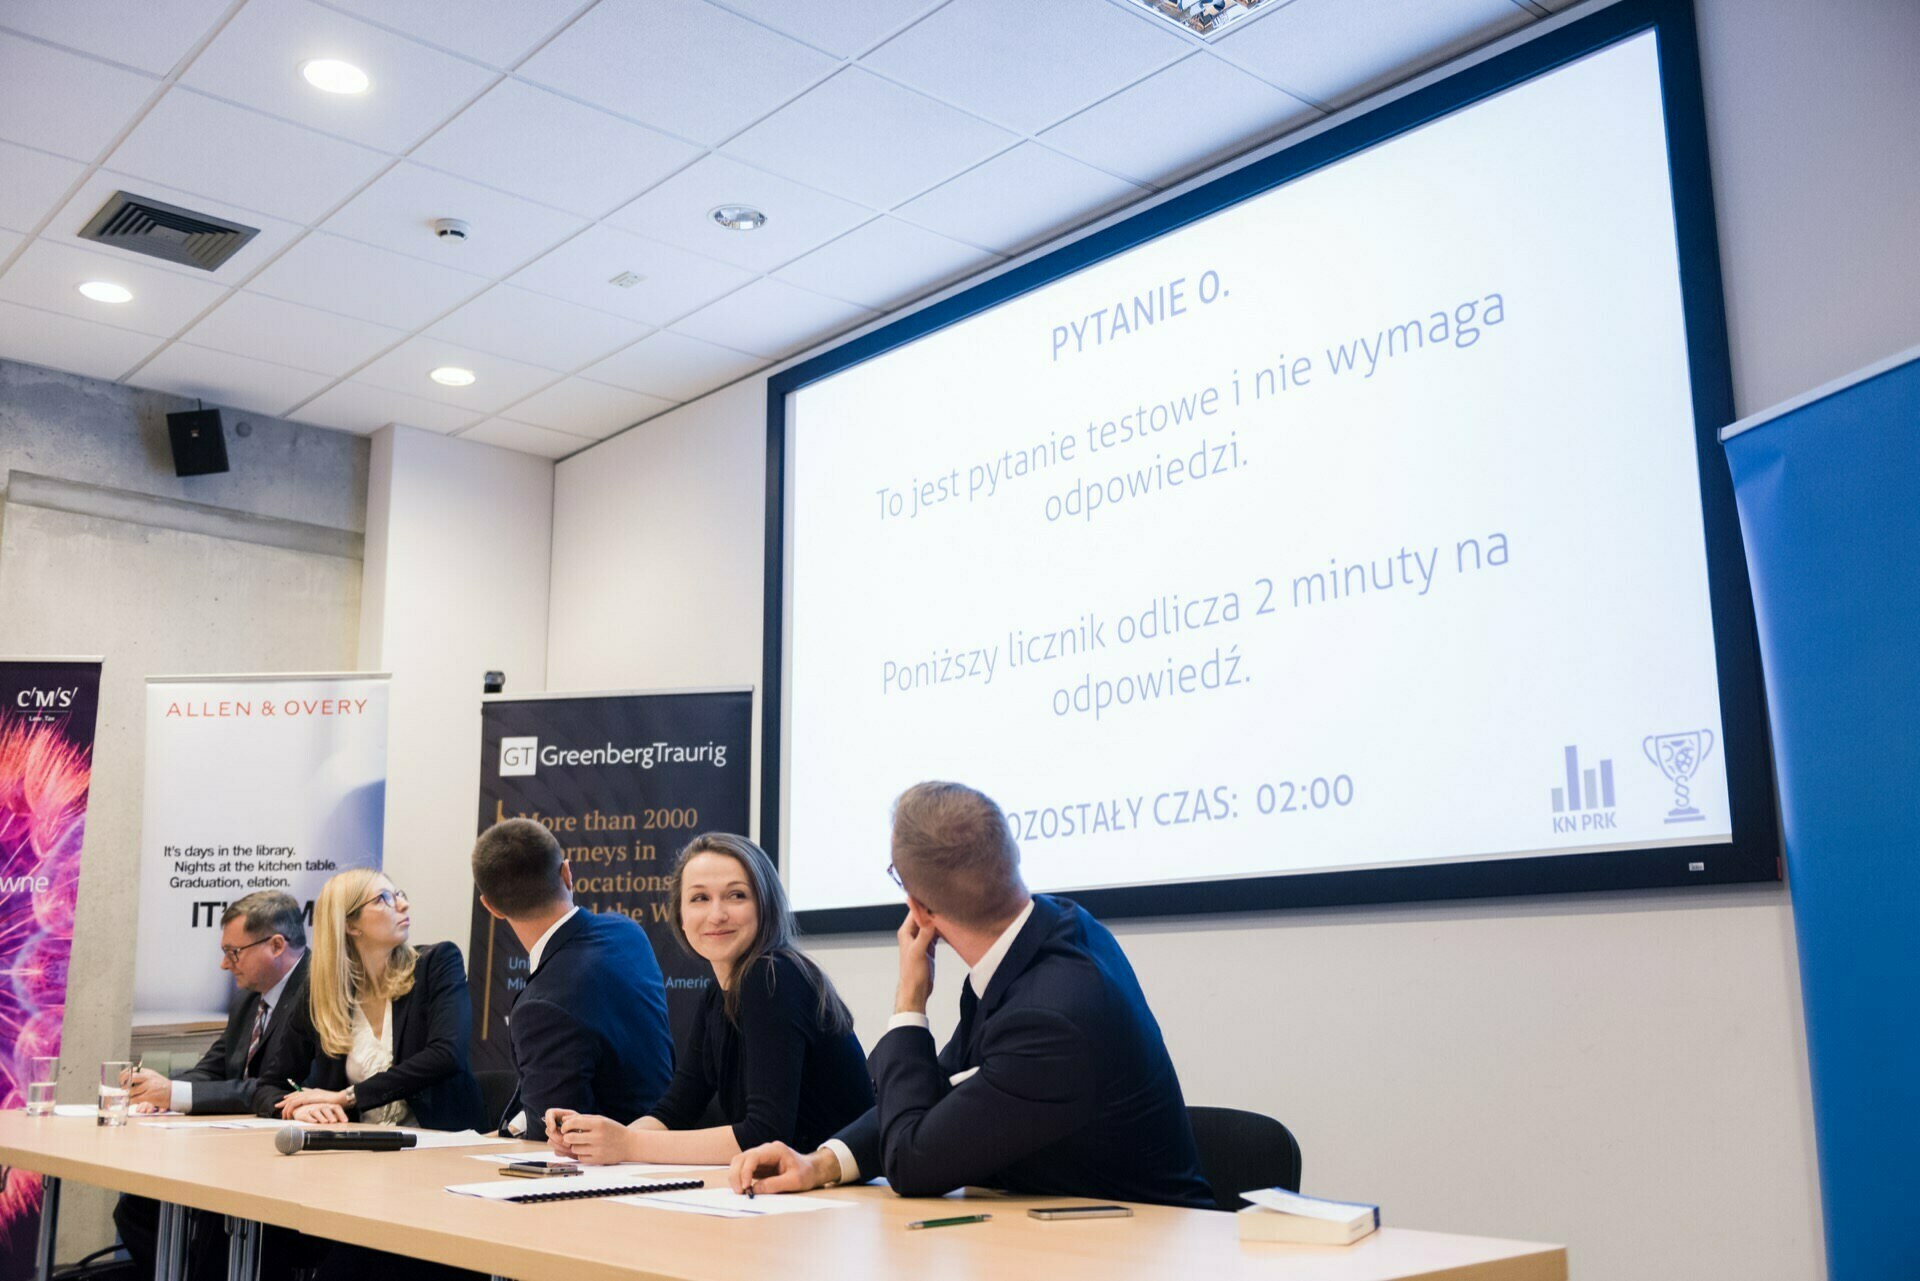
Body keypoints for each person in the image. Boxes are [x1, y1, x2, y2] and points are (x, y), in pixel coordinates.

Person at [729, 781, 1213, 1207]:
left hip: (1150, 1253)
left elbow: (912, 1162)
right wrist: (819, 1164)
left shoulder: (1051, 1016)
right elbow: (939, 1088)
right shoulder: (1053, 933)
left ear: (918, 907)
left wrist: (909, 1004)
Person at [544, 833, 873, 1164]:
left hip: (848, 1197)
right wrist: (593, 1140)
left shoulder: (773, 976)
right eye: (699, 898)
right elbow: (675, 1109)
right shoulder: (719, 992)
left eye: (736, 895)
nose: (716, 915)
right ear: (680, 914)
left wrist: (626, 1143)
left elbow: (764, 1134)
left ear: (766, 905)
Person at [114, 891, 310, 1280]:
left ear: (276, 945)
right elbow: (212, 1068)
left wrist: (176, 1094)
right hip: (235, 1151)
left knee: (214, 1227)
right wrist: (157, 1090)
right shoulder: (247, 1000)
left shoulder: (316, 992)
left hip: (289, 1162)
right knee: (137, 1207)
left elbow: (273, 1088)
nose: (224, 964)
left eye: (234, 952)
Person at [471, 818, 672, 1140]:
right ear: (567, 873)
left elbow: (551, 1138)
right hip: (663, 1139)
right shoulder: (627, 932)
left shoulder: (541, 1006)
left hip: (612, 1170)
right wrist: (510, 1128)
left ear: (491, 907)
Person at [254, 869, 483, 1131]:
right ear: (350, 925)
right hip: (358, 1151)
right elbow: (269, 1086)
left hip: (442, 1144)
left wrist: (347, 1097)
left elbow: (446, 1054)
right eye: (383, 899)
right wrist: (303, 1109)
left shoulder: (438, 963)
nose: (403, 904)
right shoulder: (323, 993)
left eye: (399, 894)